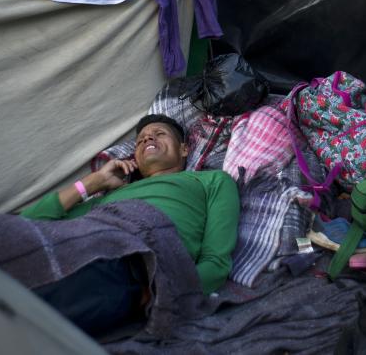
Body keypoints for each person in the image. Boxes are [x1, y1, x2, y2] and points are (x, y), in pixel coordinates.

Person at [21, 114, 240, 334]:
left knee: (23, 317)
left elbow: (216, 262)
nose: (147, 139)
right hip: (76, 246)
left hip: (127, 263)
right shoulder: (112, 196)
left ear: (184, 150)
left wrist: (160, 293)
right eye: (141, 140)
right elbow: (26, 225)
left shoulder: (211, 181)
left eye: (159, 134)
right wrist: (93, 182)